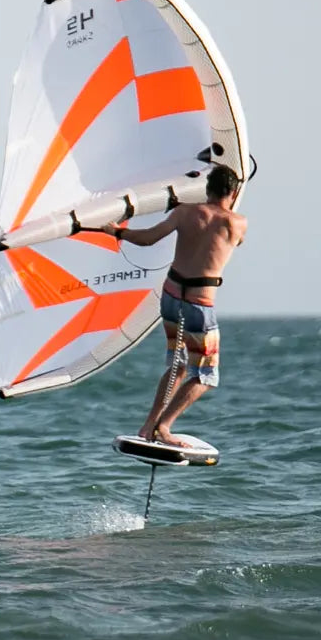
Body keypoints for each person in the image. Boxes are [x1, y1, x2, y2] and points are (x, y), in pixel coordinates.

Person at [90, 166, 246, 448]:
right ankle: (163, 426)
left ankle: (148, 425)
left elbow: (148, 238)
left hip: (171, 299)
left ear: (207, 190)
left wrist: (117, 232)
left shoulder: (184, 212)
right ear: (233, 193)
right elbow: (234, 238)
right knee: (206, 376)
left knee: (178, 365)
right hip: (198, 307)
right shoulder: (237, 223)